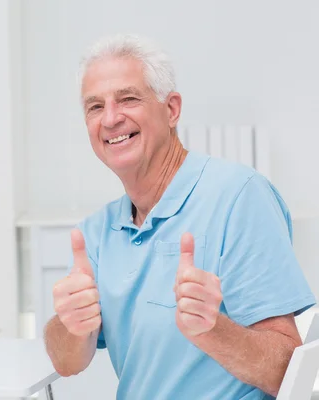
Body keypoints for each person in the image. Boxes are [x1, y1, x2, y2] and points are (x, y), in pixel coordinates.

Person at [44, 34, 316, 399]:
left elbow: (289, 372)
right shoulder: (95, 233)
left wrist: (213, 330)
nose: (110, 118)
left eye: (128, 98)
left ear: (171, 109)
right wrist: (69, 325)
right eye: (95, 107)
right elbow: (67, 362)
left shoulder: (239, 196)